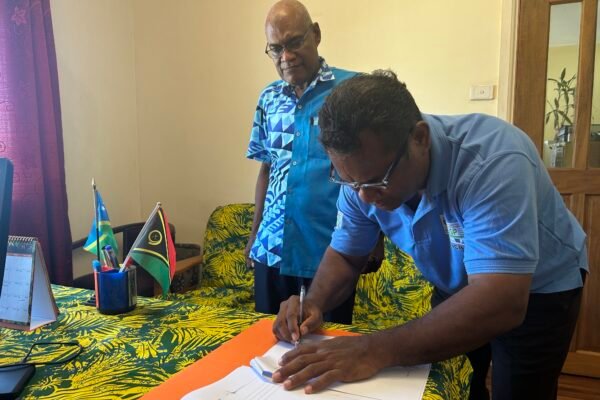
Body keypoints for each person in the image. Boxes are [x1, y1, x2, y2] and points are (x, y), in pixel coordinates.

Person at [272, 70, 588, 400]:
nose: (364, 196)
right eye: (349, 181)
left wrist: (374, 349)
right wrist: (314, 302)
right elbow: (347, 255)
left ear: (420, 139)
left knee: (519, 391)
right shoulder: (361, 174)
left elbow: (502, 300)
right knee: (452, 386)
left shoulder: (493, 160)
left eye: (377, 181)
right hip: (457, 285)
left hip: (538, 289)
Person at [245, 0, 358, 322]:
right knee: (266, 341)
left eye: (294, 42)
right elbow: (267, 168)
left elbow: (371, 169)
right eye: (276, 49)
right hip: (271, 249)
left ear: (316, 35)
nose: (286, 56)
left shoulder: (351, 92)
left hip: (329, 252)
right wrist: (254, 235)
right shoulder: (268, 98)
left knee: (326, 342)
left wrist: (374, 239)